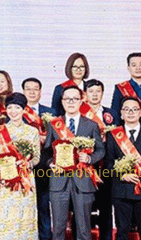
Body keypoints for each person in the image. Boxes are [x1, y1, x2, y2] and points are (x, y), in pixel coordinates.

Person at [44, 86, 105, 240]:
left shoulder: (91, 125)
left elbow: (101, 150)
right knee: (58, 228)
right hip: (59, 180)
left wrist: (89, 159)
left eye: (75, 99)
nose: (71, 102)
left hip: (83, 180)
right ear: (62, 102)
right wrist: (51, 163)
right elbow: (46, 152)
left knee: (84, 228)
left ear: (81, 101)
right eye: (67, 99)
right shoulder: (54, 124)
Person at [105, 96, 141, 240]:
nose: (130, 112)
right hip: (121, 192)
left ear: (140, 112)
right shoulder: (113, 135)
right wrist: (122, 175)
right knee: (122, 232)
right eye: (127, 109)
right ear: (121, 113)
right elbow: (108, 164)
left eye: (134, 109)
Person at [0, 93, 39, 240]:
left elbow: (37, 157)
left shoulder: (32, 131)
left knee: (25, 219)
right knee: (5, 219)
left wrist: (27, 163)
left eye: (17, 107)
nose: (13, 111)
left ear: (24, 109)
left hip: (25, 181)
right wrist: (0, 171)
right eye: (10, 108)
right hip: (5, 182)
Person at [19, 78, 56, 240]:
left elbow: (58, 138)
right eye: (28, 89)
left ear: (40, 92)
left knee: (43, 205)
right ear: (23, 92)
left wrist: (47, 139)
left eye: (35, 89)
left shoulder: (51, 112)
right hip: (23, 166)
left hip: (44, 165)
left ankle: (45, 237)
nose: (32, 92)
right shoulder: (16, 112)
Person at [82, 79, 115, 240]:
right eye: (91, 91)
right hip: (84, 166)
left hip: (106, 165)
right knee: (81, 208)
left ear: (102, 93)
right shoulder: (79, 112)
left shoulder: (112, 113)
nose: (94, 95)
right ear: (85, 94)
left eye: (98, 91)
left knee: (106, 206)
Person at [110, 52, 141, 124]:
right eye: (134, 65)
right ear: (128, 68)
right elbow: (115, 113)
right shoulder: (121, 87)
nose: (138, 68)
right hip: (129, 127)